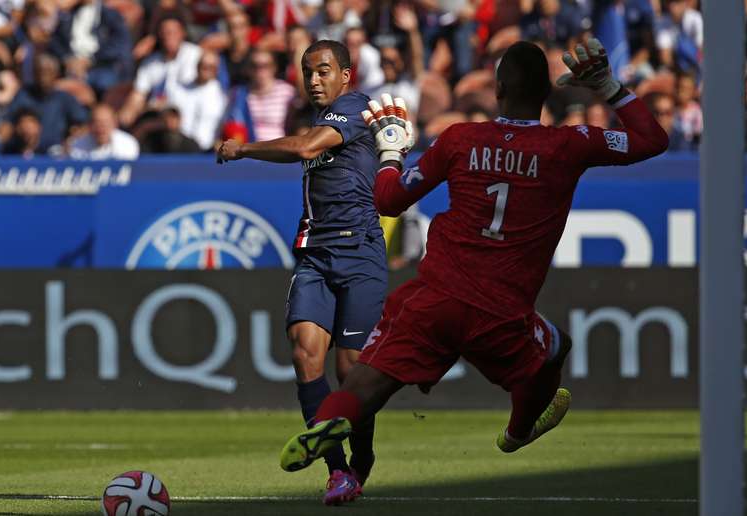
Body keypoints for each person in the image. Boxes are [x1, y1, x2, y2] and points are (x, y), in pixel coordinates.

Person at [278, 39, 668, 488]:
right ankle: (518, 431)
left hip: (434, 297)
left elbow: (387, 199)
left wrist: (390, 152)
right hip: (501, 312)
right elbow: (653, 140)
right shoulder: (568, 144)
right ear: (546, 94)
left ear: (497, 89)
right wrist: (608, 86)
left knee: (365, 384)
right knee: (553, 349)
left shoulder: (459, 139)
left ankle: (333, 421)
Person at [215, 40, 389, 506]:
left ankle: (363, 455)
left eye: (324, 71)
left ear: (346, 75)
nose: (314, 80)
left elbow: (305, 147)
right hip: (314, 252)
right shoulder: (323, 116)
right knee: (304, 353)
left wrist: (243, 148)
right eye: (308, 72)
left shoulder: (354, 108)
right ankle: (338, 472)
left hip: (360, 255)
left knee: (351, 371)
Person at [68, 103, 140, 160]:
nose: (101, 127)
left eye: (105, 123)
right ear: (89, 125)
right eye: (96, 122)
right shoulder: (77, 145)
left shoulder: (127, 144)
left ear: (115, 123)